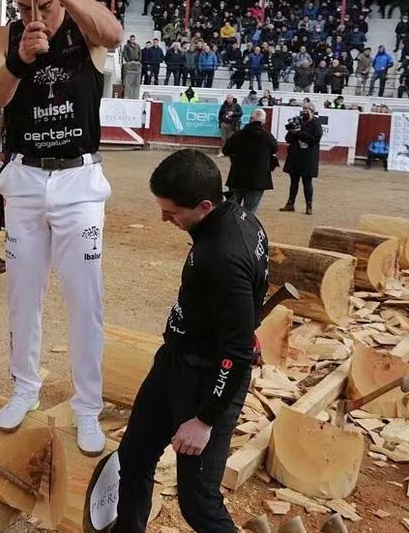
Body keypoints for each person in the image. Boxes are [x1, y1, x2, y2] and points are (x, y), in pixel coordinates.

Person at [0, 0, 120, 455]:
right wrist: (20, 60)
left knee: (85, 300)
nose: (32, 15)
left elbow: (115, 34)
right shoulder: (3, 38)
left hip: (79, 181)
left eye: (43, 4)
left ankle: (87, 406)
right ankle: (24, 387)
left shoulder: (84, 27)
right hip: (27, 177)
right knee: (22, 294)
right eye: (21, 5)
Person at [113, 149, 268, 533]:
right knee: (133, 458)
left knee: (198, 502)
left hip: (207, 381)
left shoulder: (224, 255)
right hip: (176, 361)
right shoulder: (239, 218)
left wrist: (203, 419)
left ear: (203, 204)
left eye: (172, 212)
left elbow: (236, 351)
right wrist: (243, 325)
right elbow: (247, 303)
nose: (164, 218)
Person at [223, 109, 277, 214]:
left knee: (233, 211)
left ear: (250, 119)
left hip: (237, 177)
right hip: (257, 180)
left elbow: (226, 151)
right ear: (264, 121)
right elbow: (274, 149)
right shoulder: (268, 137)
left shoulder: (238, 135)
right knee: (250, 214)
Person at [279, 103, 322, 215]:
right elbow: (287, 138)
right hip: (295, 156)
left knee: (307, 182)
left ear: (312, 111)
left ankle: (309, 205)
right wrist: (293, 132)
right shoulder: (297, 121)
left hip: (308, 158)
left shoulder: (316, 124)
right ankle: (290, 203)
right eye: (303, 109)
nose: (304, 111)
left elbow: (314, 140)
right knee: (294, 182)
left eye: (307, 109)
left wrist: (299, 133)